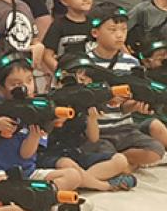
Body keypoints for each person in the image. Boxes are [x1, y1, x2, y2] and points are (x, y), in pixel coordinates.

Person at [0, 52, 89, 211]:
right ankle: (47, 205)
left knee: (73, 176)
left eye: (29, 80)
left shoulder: (39, 108)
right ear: (0, 87)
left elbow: (26, 154)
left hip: (28, 174)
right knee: (3, 187)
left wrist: (34, 134)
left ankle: (40, 201)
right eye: (16, 83)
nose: (25, 87)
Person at [84, 3, 167, 168]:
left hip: (124, 128)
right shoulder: (85, 63)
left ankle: (121, 161)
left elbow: (125, 107)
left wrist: (135, 106)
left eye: (123, 29)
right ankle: (121, 163)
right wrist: (106, 97)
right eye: (112, 30)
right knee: (101, 152)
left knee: (156, 150)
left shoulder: (132, 63)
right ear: (95, 33)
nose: (119, 35)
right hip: (98, 129)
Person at [39, 53, 137, 191]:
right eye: (79, 77)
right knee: (68, 164)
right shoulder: (50, 100)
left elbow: (93, 138)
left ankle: (82, 181)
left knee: (120, 160)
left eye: (86, 78)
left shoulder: (84, 101)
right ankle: (105, 185)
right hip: (50, 156)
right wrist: (55, 121)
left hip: (75, 153)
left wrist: (92, 119)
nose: (84, 81)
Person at [42, 0, 93, 73]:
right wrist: (61, 72)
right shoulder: (59, 25)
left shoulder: (94, 24)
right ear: (64, 1)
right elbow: (47, 55)